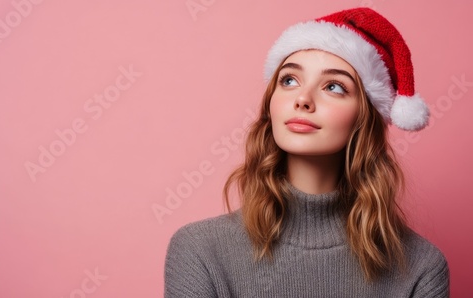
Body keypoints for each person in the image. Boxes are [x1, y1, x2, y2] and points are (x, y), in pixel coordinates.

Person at [164, 7, 449, 297]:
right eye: (289, 80)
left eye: (334, 86)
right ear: (270, 104)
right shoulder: (200, 251)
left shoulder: (421, 268)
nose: (302, 99)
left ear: (364, 118)